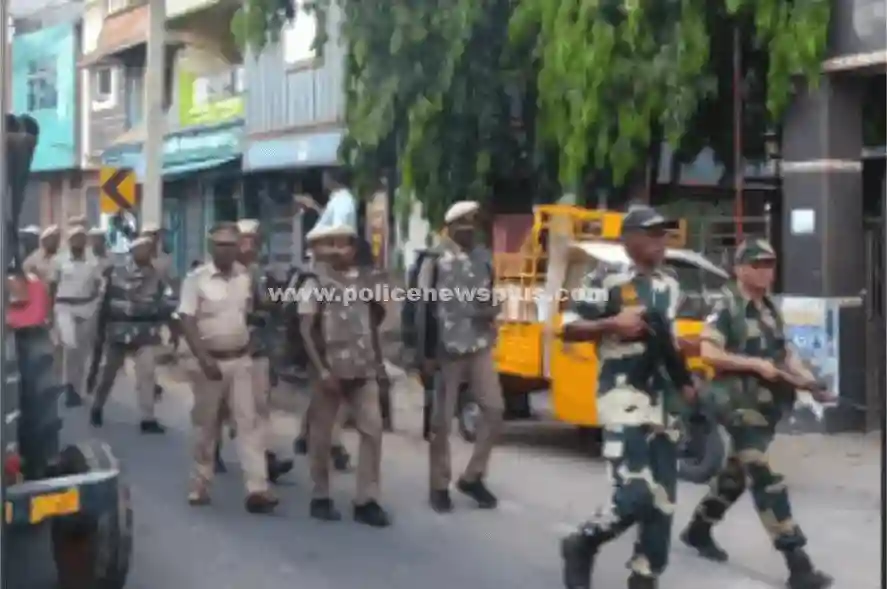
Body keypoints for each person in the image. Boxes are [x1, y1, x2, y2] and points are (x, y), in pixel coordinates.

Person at [678, 239, 834, 589]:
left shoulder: (768, 308)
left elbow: (785, 352)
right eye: (758, 264)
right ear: (740, 269)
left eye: (770, 264)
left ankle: (698, 530)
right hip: (734, 406)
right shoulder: (727, 306)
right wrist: (754, 364)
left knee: (734, 477)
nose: (766, 271)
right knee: (765, 477)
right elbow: (709, 353)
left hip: (763, 407)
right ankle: (798, 564)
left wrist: (810, 383)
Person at [559, 205, 696, 589]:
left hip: (663, 400)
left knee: (663, 502)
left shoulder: (669, 284)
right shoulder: (603, 278)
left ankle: (644, 577)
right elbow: (568, 328)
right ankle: (582, 542)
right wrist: (610, 323)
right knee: (635, 493)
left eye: (664, 236)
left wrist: (684, 374)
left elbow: (665, 338)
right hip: (623, 393)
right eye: (652, 236)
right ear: (629, 240)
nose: (660, 243)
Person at [176, 222, 278, 513]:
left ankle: (257, 489)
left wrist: (254, 337)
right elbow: (187, 320)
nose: (226, 250)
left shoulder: (245, 277)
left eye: (231, 245)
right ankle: (200, 485)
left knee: (249, 424)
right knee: (206, 428)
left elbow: (255, 311)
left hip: (240, 360)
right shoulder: (196, 279)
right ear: (211, 248)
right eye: (220, 245)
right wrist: (202, 358)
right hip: (210, 363)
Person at [298, 223, 390, 527]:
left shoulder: (365, 280)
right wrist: (322, 369)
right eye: (334, 244)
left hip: (363, 369)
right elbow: (306, 330)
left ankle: (367, 499)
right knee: (322, 436)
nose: (342, 250)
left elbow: (373, 322)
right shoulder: (313, 281)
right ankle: (320, 495)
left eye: (347, 244)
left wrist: (379, 364)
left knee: (372, 431)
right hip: (330, 371)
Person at [414, 201, 503, 514]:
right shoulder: (434, 260)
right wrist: (423, 354)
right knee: (441, 422)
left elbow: (488, 294)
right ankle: (439, 485)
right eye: (464, 225)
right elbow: (421, 308)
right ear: (451, 227)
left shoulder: (483, 258)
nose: (471, 230)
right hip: (445, 348)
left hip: (478, 344)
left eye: (474, 224)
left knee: (494, 410)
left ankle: (473, 476)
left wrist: (492, 308)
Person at [221, 218, 295, 482]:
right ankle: (211, 452)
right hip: (230, 348)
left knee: (260, 404)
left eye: (254, 240)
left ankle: (265, 458)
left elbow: (269, 304)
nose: (250, 245)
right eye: (245, 239)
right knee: (221, 408)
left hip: (258, 346)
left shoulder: (260, 272)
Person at [89, 236, 173, 433]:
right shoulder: (115, 272)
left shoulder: (158, 276)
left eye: (148, 248)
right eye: (142, 248)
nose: (146, 252)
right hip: (119, 333)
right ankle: (97, 407)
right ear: (133, 251)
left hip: (145, 334)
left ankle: (148, 418)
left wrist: (167, 323)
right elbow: (104, 304)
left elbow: (166, 304)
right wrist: (100, 332)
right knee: (108, 375)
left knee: (147, 375)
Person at [293, 226, 352, 471]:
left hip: (345, 353)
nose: (334, 250)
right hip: (320, 354)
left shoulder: (345, 278)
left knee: (332, 401)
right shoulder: (311, 281)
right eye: (329, 244)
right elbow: (305, 329)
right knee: (328, 401)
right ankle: (334, 447)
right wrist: (319, 363)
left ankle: (306, 436)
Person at [49, 224, 104, 407]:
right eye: (75, 237)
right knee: (69, 348)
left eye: (82, 237)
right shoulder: (59, 260)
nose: (79, 240)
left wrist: (93, 303)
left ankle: (75, 388)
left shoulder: (93, 261)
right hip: (64, 307)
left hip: (86, 308)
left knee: (80, 352)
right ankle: (68, 387)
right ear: (69, 240)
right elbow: (52, 286)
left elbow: (98, 284)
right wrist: (50, 311)